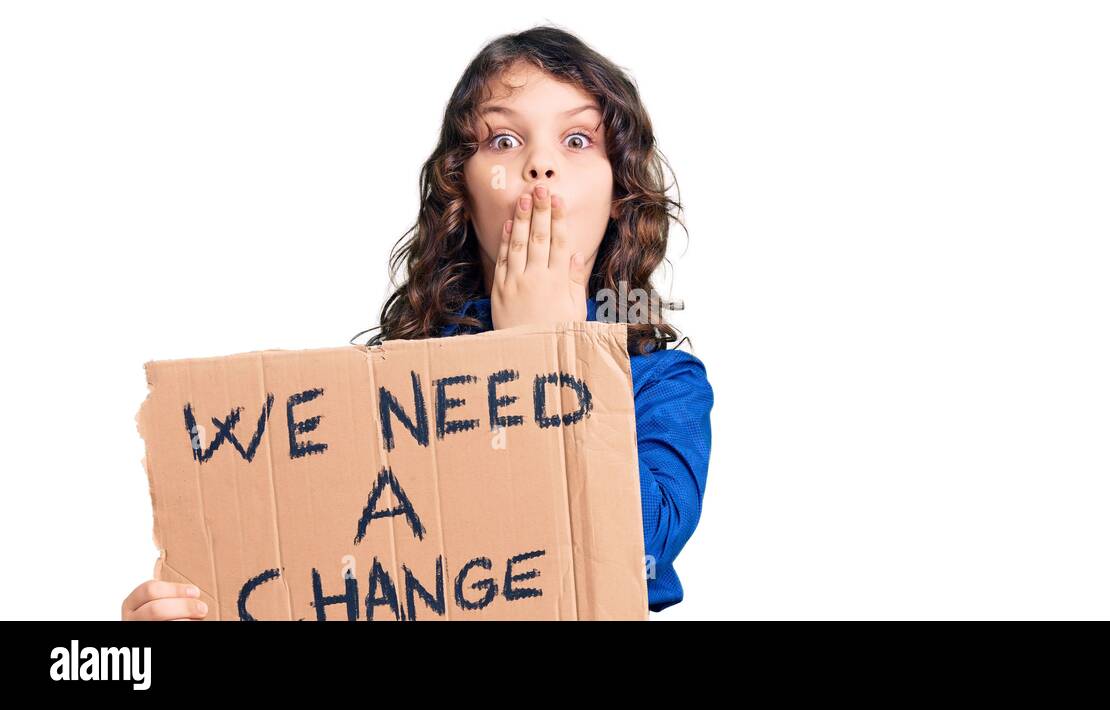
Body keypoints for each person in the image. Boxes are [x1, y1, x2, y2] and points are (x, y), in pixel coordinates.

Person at [122, 25, 712, 620]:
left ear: (619, 192)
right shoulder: (388, 383)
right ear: (462, 187)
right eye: (504, 140)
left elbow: (643, 552)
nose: (539, 166)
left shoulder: (664, 386)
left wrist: (544, 356)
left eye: (578, 139)